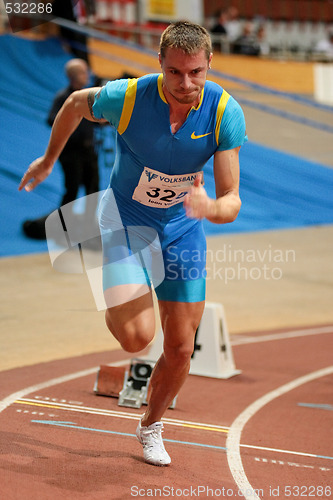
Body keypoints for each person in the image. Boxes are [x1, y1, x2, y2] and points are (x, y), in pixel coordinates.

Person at [19, 22, 247, 466]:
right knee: (135, 339)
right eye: (176, 72)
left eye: (196, 72)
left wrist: (207, 207)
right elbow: (73, 104)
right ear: (160, 64)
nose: (186, 84)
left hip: (183, 230)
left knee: (181, 347)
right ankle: (115, 280)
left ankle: (150, 426)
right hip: (125, 222)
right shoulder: (127, 97)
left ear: (209, 64)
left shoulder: (224, 112)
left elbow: (232, 200)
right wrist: (49, 160)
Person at [22, 58, 99, 240]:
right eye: (83, 73)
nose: (87, 75)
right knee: (71, 189)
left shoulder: (89, 96)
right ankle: (65, 227)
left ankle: (89, 228)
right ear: (73, 77)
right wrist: (71, 125)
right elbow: (52, 120)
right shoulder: (63, 98)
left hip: (89, 151)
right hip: (71, 153)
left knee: (93, 189)